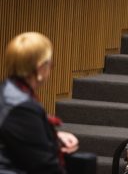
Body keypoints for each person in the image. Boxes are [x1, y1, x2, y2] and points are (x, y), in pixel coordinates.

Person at [0, 32, 79, 173]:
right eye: (50, 64)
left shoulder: (7, 90)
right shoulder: (22, 107)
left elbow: (15, 134)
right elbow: (44, 165)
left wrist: (54, 136)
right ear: (40, 68)